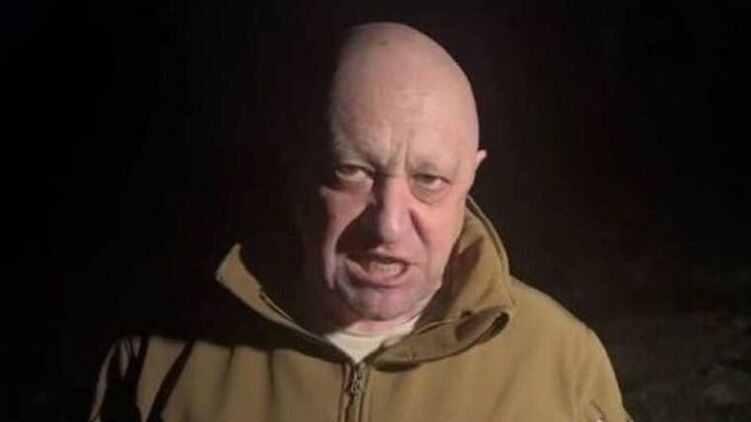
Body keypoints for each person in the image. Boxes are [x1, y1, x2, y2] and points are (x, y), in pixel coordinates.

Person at [90, 22, 631, 421]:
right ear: (298, 167)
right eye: (352, 172)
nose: (389, 226)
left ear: (471, 177)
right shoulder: (159, 359)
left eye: (429, 180)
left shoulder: (560, 365)